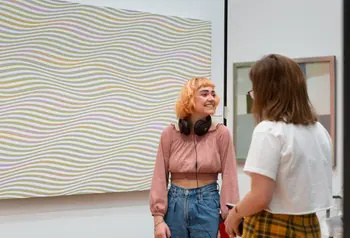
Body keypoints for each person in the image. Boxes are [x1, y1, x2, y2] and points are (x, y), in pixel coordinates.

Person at [225, 54, 333, 238]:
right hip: (310, 226)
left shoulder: (268, 130)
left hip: (270, 226)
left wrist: (234, 215)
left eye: (255, 90)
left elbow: (260, 197)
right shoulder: (319, 131)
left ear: (267, 92)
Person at [149, 77, 240, 238]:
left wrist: (228, 221)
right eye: (204, 94)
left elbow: (230, 177)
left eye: (213, 94)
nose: (211, 98)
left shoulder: (221, 133)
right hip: (175, 205)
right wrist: (158, 220)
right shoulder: (169, 134)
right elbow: (159, 177)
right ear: (189, 99)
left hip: (208, 203)